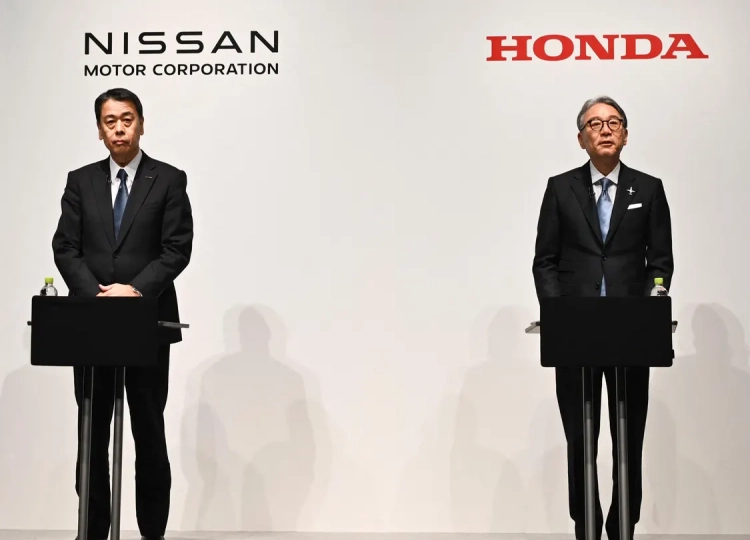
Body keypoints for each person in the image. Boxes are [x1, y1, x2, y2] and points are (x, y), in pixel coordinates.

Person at [52, 88, 194, 540]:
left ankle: (152, 532)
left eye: (127, 119)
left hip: (147, 324)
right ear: (99, 130)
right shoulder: (81, 181)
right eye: (110, 121)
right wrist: (95, 294)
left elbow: (176, 249)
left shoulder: (168, 180)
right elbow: (65, 247)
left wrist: (134, 290)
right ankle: (92, 531)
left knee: (148, 431)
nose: (119, 128)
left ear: (141, 124)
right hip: (91, 326)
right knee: (92, 434)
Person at [532, 96, 673, 540]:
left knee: (630, 440)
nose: (605, 129)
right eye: (595, 124)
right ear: (581, 138)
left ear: (626, 135)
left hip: (633, 335)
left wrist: (653, 300)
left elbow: (660, 261)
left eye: (614, 122)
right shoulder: (560, 189)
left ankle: (622, 526)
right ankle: (587, 525)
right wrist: (557, 312)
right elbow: (545, 260)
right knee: (581, 441)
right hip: (574, 337)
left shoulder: (648, 189)